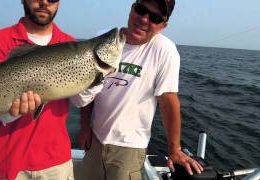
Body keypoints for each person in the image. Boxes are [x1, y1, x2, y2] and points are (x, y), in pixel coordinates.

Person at [77, 0, 204, 179]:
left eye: (154, 17)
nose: (144, 19)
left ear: (163, 25)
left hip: (129, 148)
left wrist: (174, 149)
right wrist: (84, 127)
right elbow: (89, 88)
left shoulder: (165, 50)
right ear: (132, 8)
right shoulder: (104, 38)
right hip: (95, 139)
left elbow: (168, 100)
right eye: (141, 10)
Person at [0, 0, 76, 179]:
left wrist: (98, 76)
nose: (44, 2)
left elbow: (81, 100)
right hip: (6, 161)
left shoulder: (69, 44)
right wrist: (12, 112)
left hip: (56, 162)